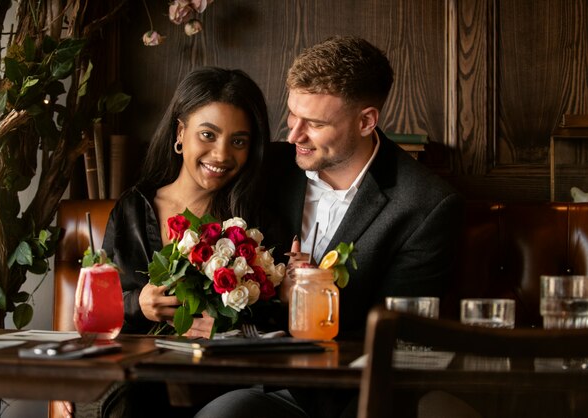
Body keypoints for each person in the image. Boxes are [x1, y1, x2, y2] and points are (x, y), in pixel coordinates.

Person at [195, 35, 464, 418]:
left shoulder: (426, 205)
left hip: (363, 395)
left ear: (367, 120)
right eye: (292, 114)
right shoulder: (267, 167)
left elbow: (399, 338)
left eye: (315, 123)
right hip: (270, 388)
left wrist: (311, 301)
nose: (293, 135)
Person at [58, 66, 272, 418]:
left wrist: (228, 328)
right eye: (208, 135)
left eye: (238, 141)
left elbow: (274, 322)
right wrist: (138, 304)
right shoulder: (133, 208)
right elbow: (96, 314)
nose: (220, 154)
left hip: (214, 385)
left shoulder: (253, 219)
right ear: (180, 132)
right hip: (132, 377)